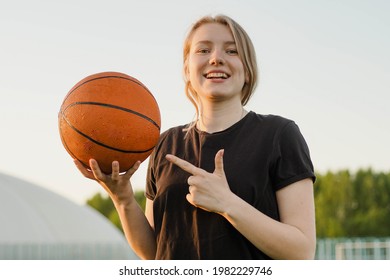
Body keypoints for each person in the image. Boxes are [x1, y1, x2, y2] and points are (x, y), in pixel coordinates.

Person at [75, 14, 316, 260]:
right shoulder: (164, 145)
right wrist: (122, 198)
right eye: (203, 50)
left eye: (232, 51)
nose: (216, 58)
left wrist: (227, 204)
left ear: (248, 70)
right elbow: (154, 251)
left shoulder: (279, 135)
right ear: (187, 70)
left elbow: (302, 251)